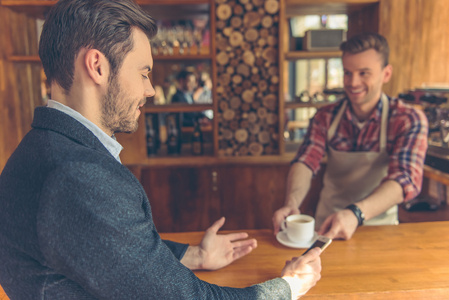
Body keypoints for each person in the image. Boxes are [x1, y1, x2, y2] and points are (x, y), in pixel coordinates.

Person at [0, 0, 321, 299]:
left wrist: (194, 255)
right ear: (97, 66)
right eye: (143, 72)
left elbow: (107, 245)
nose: (150, 89)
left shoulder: (38, 148)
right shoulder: (80, 175)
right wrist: (289, 286)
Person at [273, 33, 428, 241]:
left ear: (386, 73)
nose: (353, 82)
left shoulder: (408, 119)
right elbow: (305, 161)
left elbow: (405, 179)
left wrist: (356, 213)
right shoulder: (325, 117)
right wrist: (292, 202)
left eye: (364, 73)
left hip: (380, 229)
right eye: (347, 72)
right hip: (326, 227)